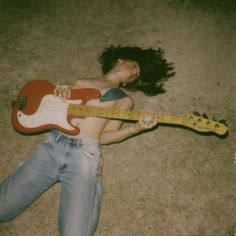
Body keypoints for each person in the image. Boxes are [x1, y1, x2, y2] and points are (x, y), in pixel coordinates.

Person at [0, 45, 174, 236]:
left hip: (85, 156)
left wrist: (135, 128)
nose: (135, 72)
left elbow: (105, 137)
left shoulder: (125, 100)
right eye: (135, 65)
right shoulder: (82, 81)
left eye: (138, 73)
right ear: (120, 60)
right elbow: (53, 101)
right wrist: (61, 90)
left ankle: (95, 182)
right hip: (53, 145)